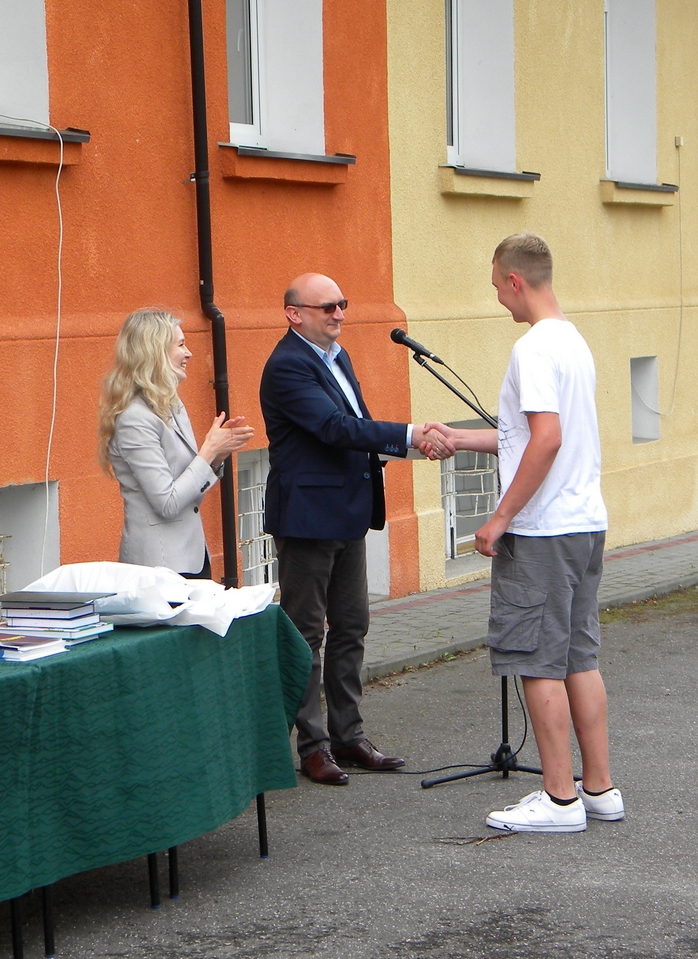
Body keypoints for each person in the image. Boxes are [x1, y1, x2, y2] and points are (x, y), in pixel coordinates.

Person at [426, 233, 620, 832]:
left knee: (537, 662)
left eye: (497, 287)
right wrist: (459, 438)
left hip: (541, 533)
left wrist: (500, 518)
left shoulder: (532, 348)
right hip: (583, 524)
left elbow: (547, 440)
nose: (498, 300)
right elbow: (527, 434)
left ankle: (558, 799)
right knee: (579, 657)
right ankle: (599, 789)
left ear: (515, 280)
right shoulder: (572, 341)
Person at [260, 273, 454, 785]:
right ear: (294, 314)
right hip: (307, 519)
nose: (339, 314)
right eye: (326, 307)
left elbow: (359, 424)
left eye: (342, 304)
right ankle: (313, 747)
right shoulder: (287, 365)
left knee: (352, 625)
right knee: (306, 635)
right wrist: (411, 433)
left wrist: (411, 446)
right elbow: (333, 429)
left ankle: (348, 735)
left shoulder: (337, 357)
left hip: (348, 511)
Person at [98, 308, 254, 578]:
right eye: (180, 345)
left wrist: (217, 456)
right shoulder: (134, 418)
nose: (188, 353)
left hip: (192, 558)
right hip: (159, 567)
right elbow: (167, 503)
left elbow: (191, 495)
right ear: (155, 352)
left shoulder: (172, 405)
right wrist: (208, 451)